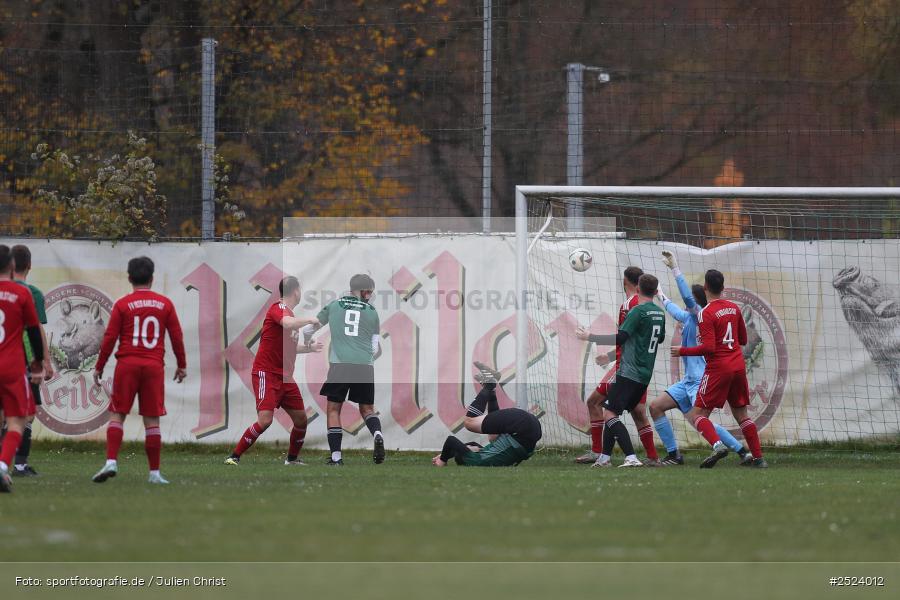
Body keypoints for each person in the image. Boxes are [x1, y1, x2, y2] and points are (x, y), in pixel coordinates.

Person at [91, 257, 187, 485]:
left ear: (129, 278)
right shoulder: (165, 304)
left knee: (118, 414)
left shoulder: (123, 304)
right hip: (153, 366)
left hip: (127, 364)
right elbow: (176, 336)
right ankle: (154, 473)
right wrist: (182, 364)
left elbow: (110, 338)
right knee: (152, 420)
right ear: (152, 278)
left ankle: (111, 461)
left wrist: (99, 366)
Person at [650, 251, 751, 465]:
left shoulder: (700, 314)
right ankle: (674, 455)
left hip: (699, 378)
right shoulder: (689, 317)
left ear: (696, 301)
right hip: (688, 380)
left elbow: (686, 299)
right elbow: (673, 309)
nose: (686, 304)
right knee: (656, 406)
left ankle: (738, 450)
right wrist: (660, 293)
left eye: (690, 301)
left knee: (700, 419)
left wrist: (675, 269)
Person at [671, 269, 768, 469]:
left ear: (705, 287)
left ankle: (717, 446)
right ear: (723, 287)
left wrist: (683, 351)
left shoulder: (706, 313)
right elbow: (743, 339)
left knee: (698, 415)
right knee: (742, 415)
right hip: (738, 367)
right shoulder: (734, 308)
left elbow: (709, 348)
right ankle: (759, 458)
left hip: (718, 368)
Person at [225, 276, 322, 466]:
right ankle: (233, 456)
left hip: (285, 377)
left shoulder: (290, 316)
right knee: (265, 420)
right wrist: (310, 319)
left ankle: (292, 459)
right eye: (300, 290)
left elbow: (289, 347)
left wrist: (308, 348)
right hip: (267, 373)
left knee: (301, 420)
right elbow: (287, 323)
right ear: (295, 291)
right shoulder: (278, 308)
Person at [575, 266, 660, 465]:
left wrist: (591, 337)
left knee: (597, 404)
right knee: (637, 412)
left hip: (626, 368)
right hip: (642, 369)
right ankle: (651, 457)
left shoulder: (630, 305)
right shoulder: (654, 310)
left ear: (626, 282)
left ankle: (608, 454)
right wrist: (610, 356)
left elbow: (623, 337)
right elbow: (635, 340)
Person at [311, 274, 383, 466]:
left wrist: (307, 340)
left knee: (334, 409)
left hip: (340, 365)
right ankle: (377, 433)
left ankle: (336, 457)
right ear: (362, 291)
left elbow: (311, 327)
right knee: (367, 409)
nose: (370, 295)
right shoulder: (372, 312)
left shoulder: (334, 305)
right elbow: (375, 349)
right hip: (365, 366)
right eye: (369, 292)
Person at [433, 362, 541, 467]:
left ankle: (490, 387)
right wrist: (444, 458)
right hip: (522, 427)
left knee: (483, 431)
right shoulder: (480, 458)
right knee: (478, 427)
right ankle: (490, 387)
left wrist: (444, 457)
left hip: (530, 430)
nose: (468, 446)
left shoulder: (476, 460)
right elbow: (454, 442)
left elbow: (461, 443)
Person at [0, 245, 45, 493]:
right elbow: (34, 331)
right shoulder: (22, 293)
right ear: (12, 266)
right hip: (11, 367)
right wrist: (38, 363)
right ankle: (2, 467)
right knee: (18, 421)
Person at [8, 245, 54, 477]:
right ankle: (18, 465)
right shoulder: (32, 293)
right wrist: (44, 360)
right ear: (29, 265)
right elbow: (37, 330)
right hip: (23, 358)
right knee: (26, 413)